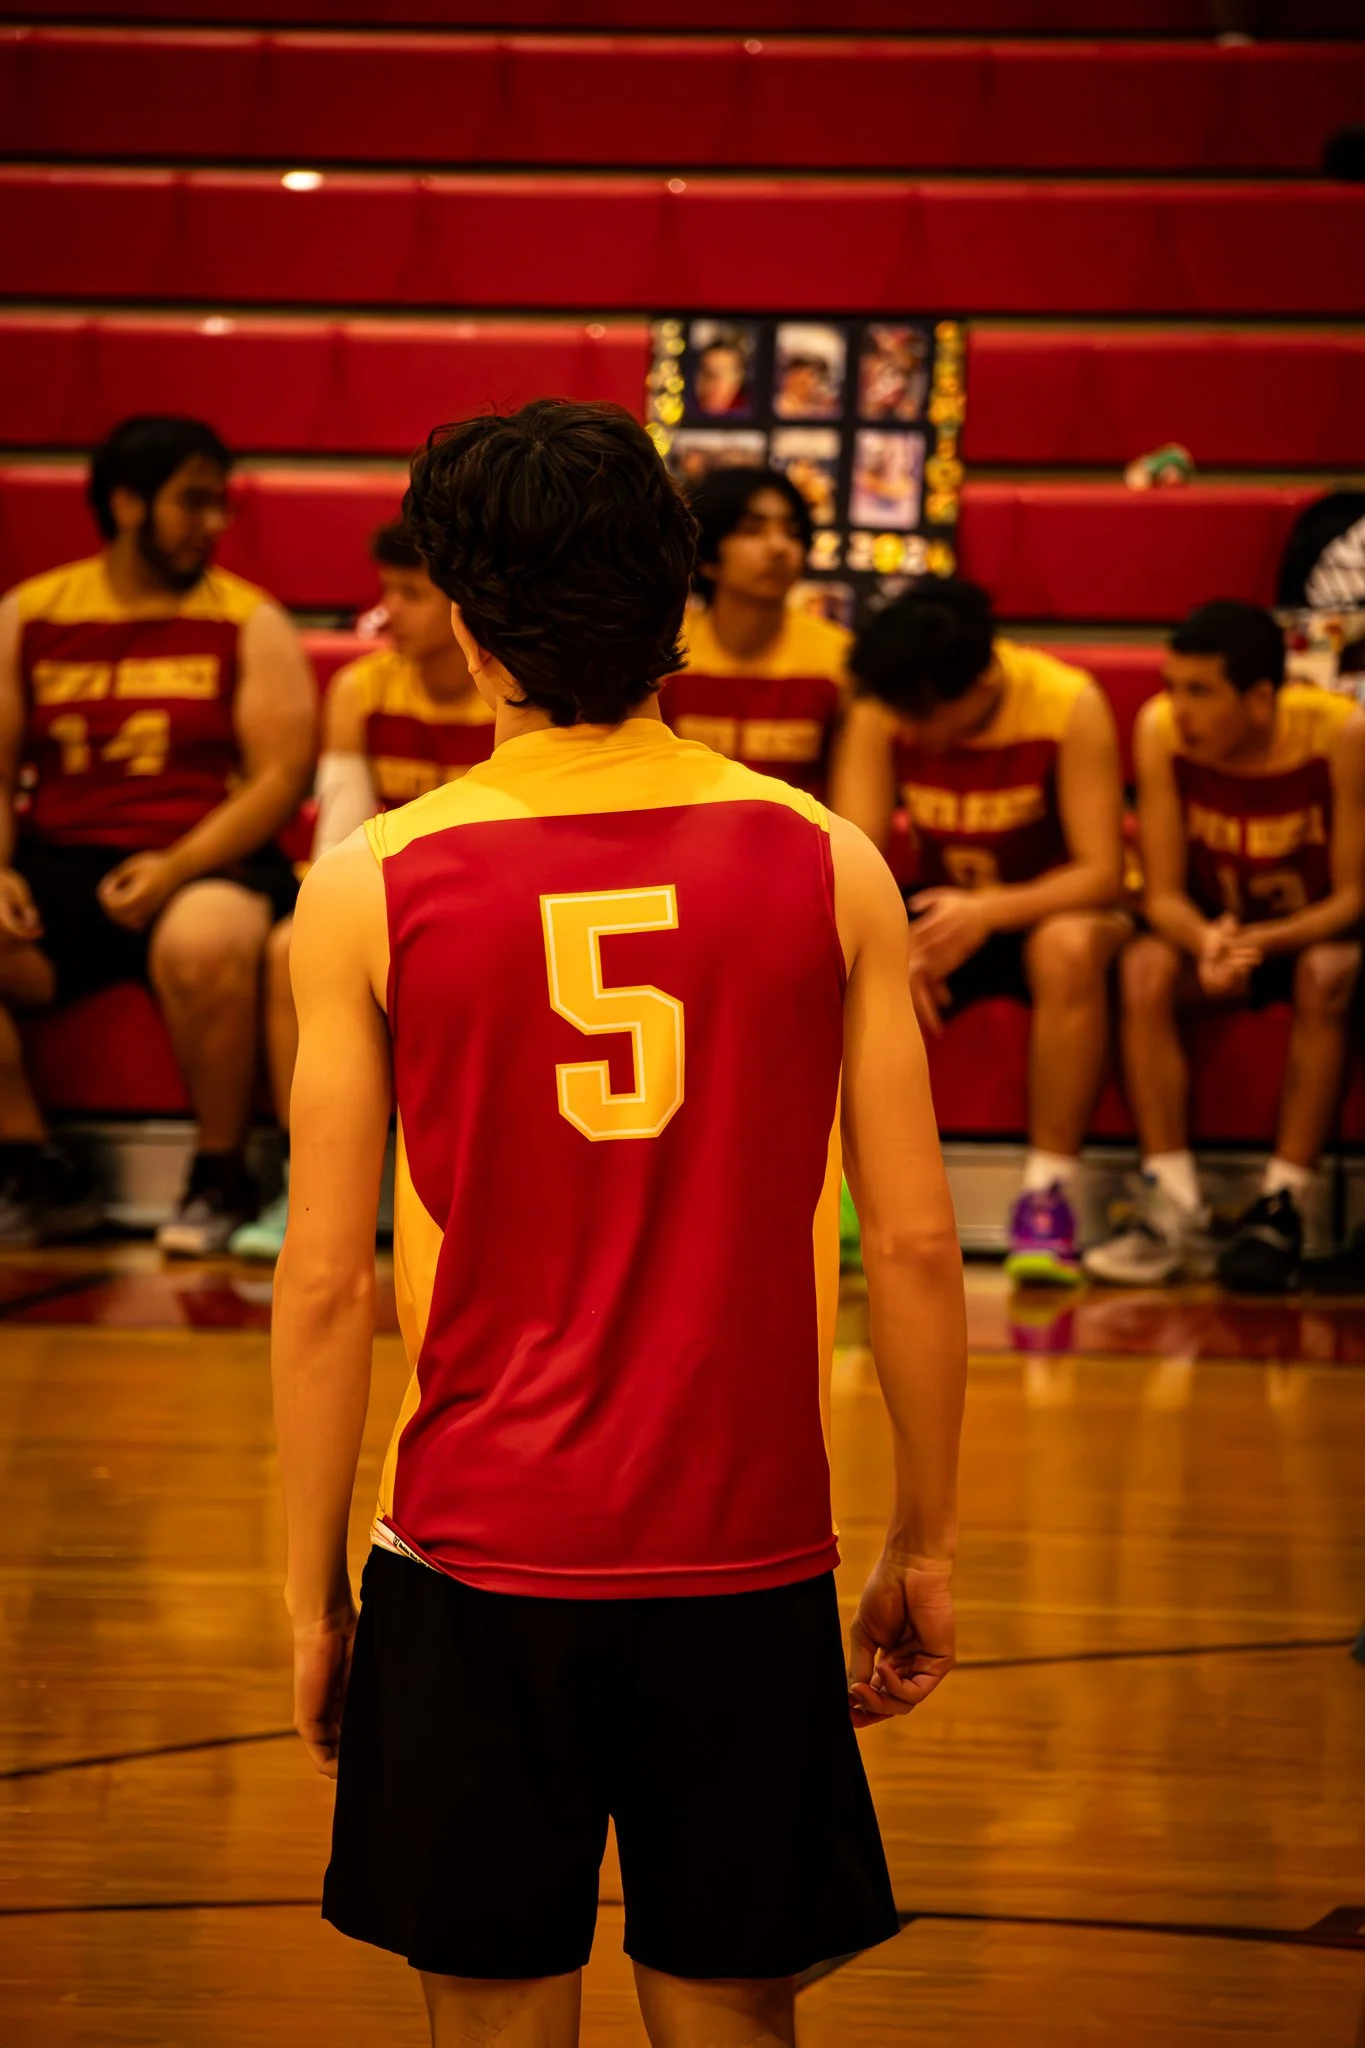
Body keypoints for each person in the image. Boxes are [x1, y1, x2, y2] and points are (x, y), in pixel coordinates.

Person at [272, 399, 967, 2048]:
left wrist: (309, 1596)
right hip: (743, 1547)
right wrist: (925, 1541)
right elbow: (925, 1249)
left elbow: (318, 1284)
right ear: (673, 593)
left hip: (474, 1546)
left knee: (499, 2015)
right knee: (730, 2006)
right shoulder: (827, 860)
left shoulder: (373, 881)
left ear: (457, 606)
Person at [0, 415, 316, 1251]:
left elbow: (282, 777)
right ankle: (32, 1162)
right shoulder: (31, 614)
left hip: (208, 858)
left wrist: (175, 866)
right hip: (62, 863)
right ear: (127, 502)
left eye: (221, 505)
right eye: (193, 502)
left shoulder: (248, 619)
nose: (213, 523)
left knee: (205, 941)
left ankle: (220, 1174)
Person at [831, 579, 1126, 1285]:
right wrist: (890, 944)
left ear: (974, 683)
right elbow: (851, 854)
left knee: (1066, 948)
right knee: (832, 938)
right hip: (940, 911)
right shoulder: (886, 705)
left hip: (1042, 907)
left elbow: (1100, 873)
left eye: (923, 713)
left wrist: (987, 911)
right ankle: (838, 1190)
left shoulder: (1066, 703)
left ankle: (1046, 1196)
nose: (911, 729)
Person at [229, 520, 494, 1261]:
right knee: (292, 945)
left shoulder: (511, 689)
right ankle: (302, 1183)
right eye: (385, 591)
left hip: (496, 906)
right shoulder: (360, 689)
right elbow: (338, 844)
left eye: (411, 594)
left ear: (466, 605)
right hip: (398, 904)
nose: (388, 613)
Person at [1085, 600, 1365, 1292]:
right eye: (1171, 685)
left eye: (1199, 691)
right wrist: (1206, 940)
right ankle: (1172, 1201)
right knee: (1144, 965)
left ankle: (1283, 1203)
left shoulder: (1341, 735)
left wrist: (1261, 943)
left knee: (1329, 974)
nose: (1177, 708)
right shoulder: (1159, 731)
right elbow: (1161, 895)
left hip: (1306, 936)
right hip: (1217, 936)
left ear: (1261, 696)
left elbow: (1354, 897)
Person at [660, 466, 850, 800]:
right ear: (706, 556)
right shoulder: (661, 651)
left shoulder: (840, 658)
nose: (779, 547)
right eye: (752, 530)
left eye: (792, 532)